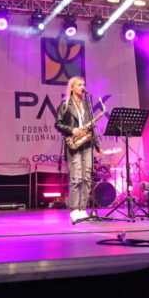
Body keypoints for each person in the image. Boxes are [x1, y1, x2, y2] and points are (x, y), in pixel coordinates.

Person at [55, 76, 101, 223]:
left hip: (87, 143)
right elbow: (58, 124)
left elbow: (92, 126)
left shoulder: (87, 104)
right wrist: (72, 130)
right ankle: (74, 209)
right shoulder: (65, 104)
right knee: (76, 177)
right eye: (79, 85)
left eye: (83, 84)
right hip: (74, 143)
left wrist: (97, 145)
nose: (82, 87)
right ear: (72, 88)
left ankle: (82, 208)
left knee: (87, 177)